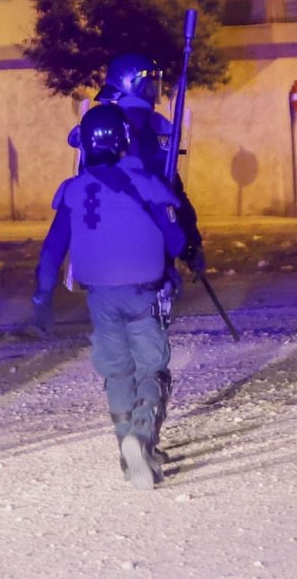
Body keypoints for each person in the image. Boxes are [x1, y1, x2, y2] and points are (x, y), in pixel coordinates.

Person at [31, 104, 185, 490]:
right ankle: (143, 436)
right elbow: (176, 239)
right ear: (124, 140)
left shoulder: (72, 190)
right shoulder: (146, 182)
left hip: (99, 298)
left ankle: (126, 449)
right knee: (152, 370)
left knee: (117, 372)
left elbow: (52, 250)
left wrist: (42, 299)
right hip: (143, 293)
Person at [92, 53, 204, 272]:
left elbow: (173, 188)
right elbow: (172, 191)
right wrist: (191, 241)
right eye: (149, 84)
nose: (154, 91)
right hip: (137, 230)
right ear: (130, 82)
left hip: (123, 235)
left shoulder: (156, 125)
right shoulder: (114, 122)